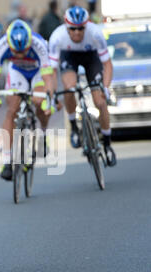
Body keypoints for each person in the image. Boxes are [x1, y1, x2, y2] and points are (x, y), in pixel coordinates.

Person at [0, 19, 57, 181]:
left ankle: (43, 134)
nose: (19, 55)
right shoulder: (2, 45)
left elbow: (49, 78)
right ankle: (7, 160)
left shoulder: (39, 44)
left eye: (23, 51)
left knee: (40, 102)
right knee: (12, 109)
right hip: (17, 72)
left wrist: (49, 99)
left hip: (38, 72)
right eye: (15, 52)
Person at [48, 6, 116, 166]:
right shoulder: (57, 36)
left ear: (86, 25)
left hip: (91, 57)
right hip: (68, 57)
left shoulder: (95, 33)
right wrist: (51, 93)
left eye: (81, 28)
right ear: (66, 25)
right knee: (69, 87)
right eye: (73, 28)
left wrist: (105, 87)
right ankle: (74, 126)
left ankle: (107, 144)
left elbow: (108, 65)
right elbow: (51, 71)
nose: (77, 32)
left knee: (100, 101)